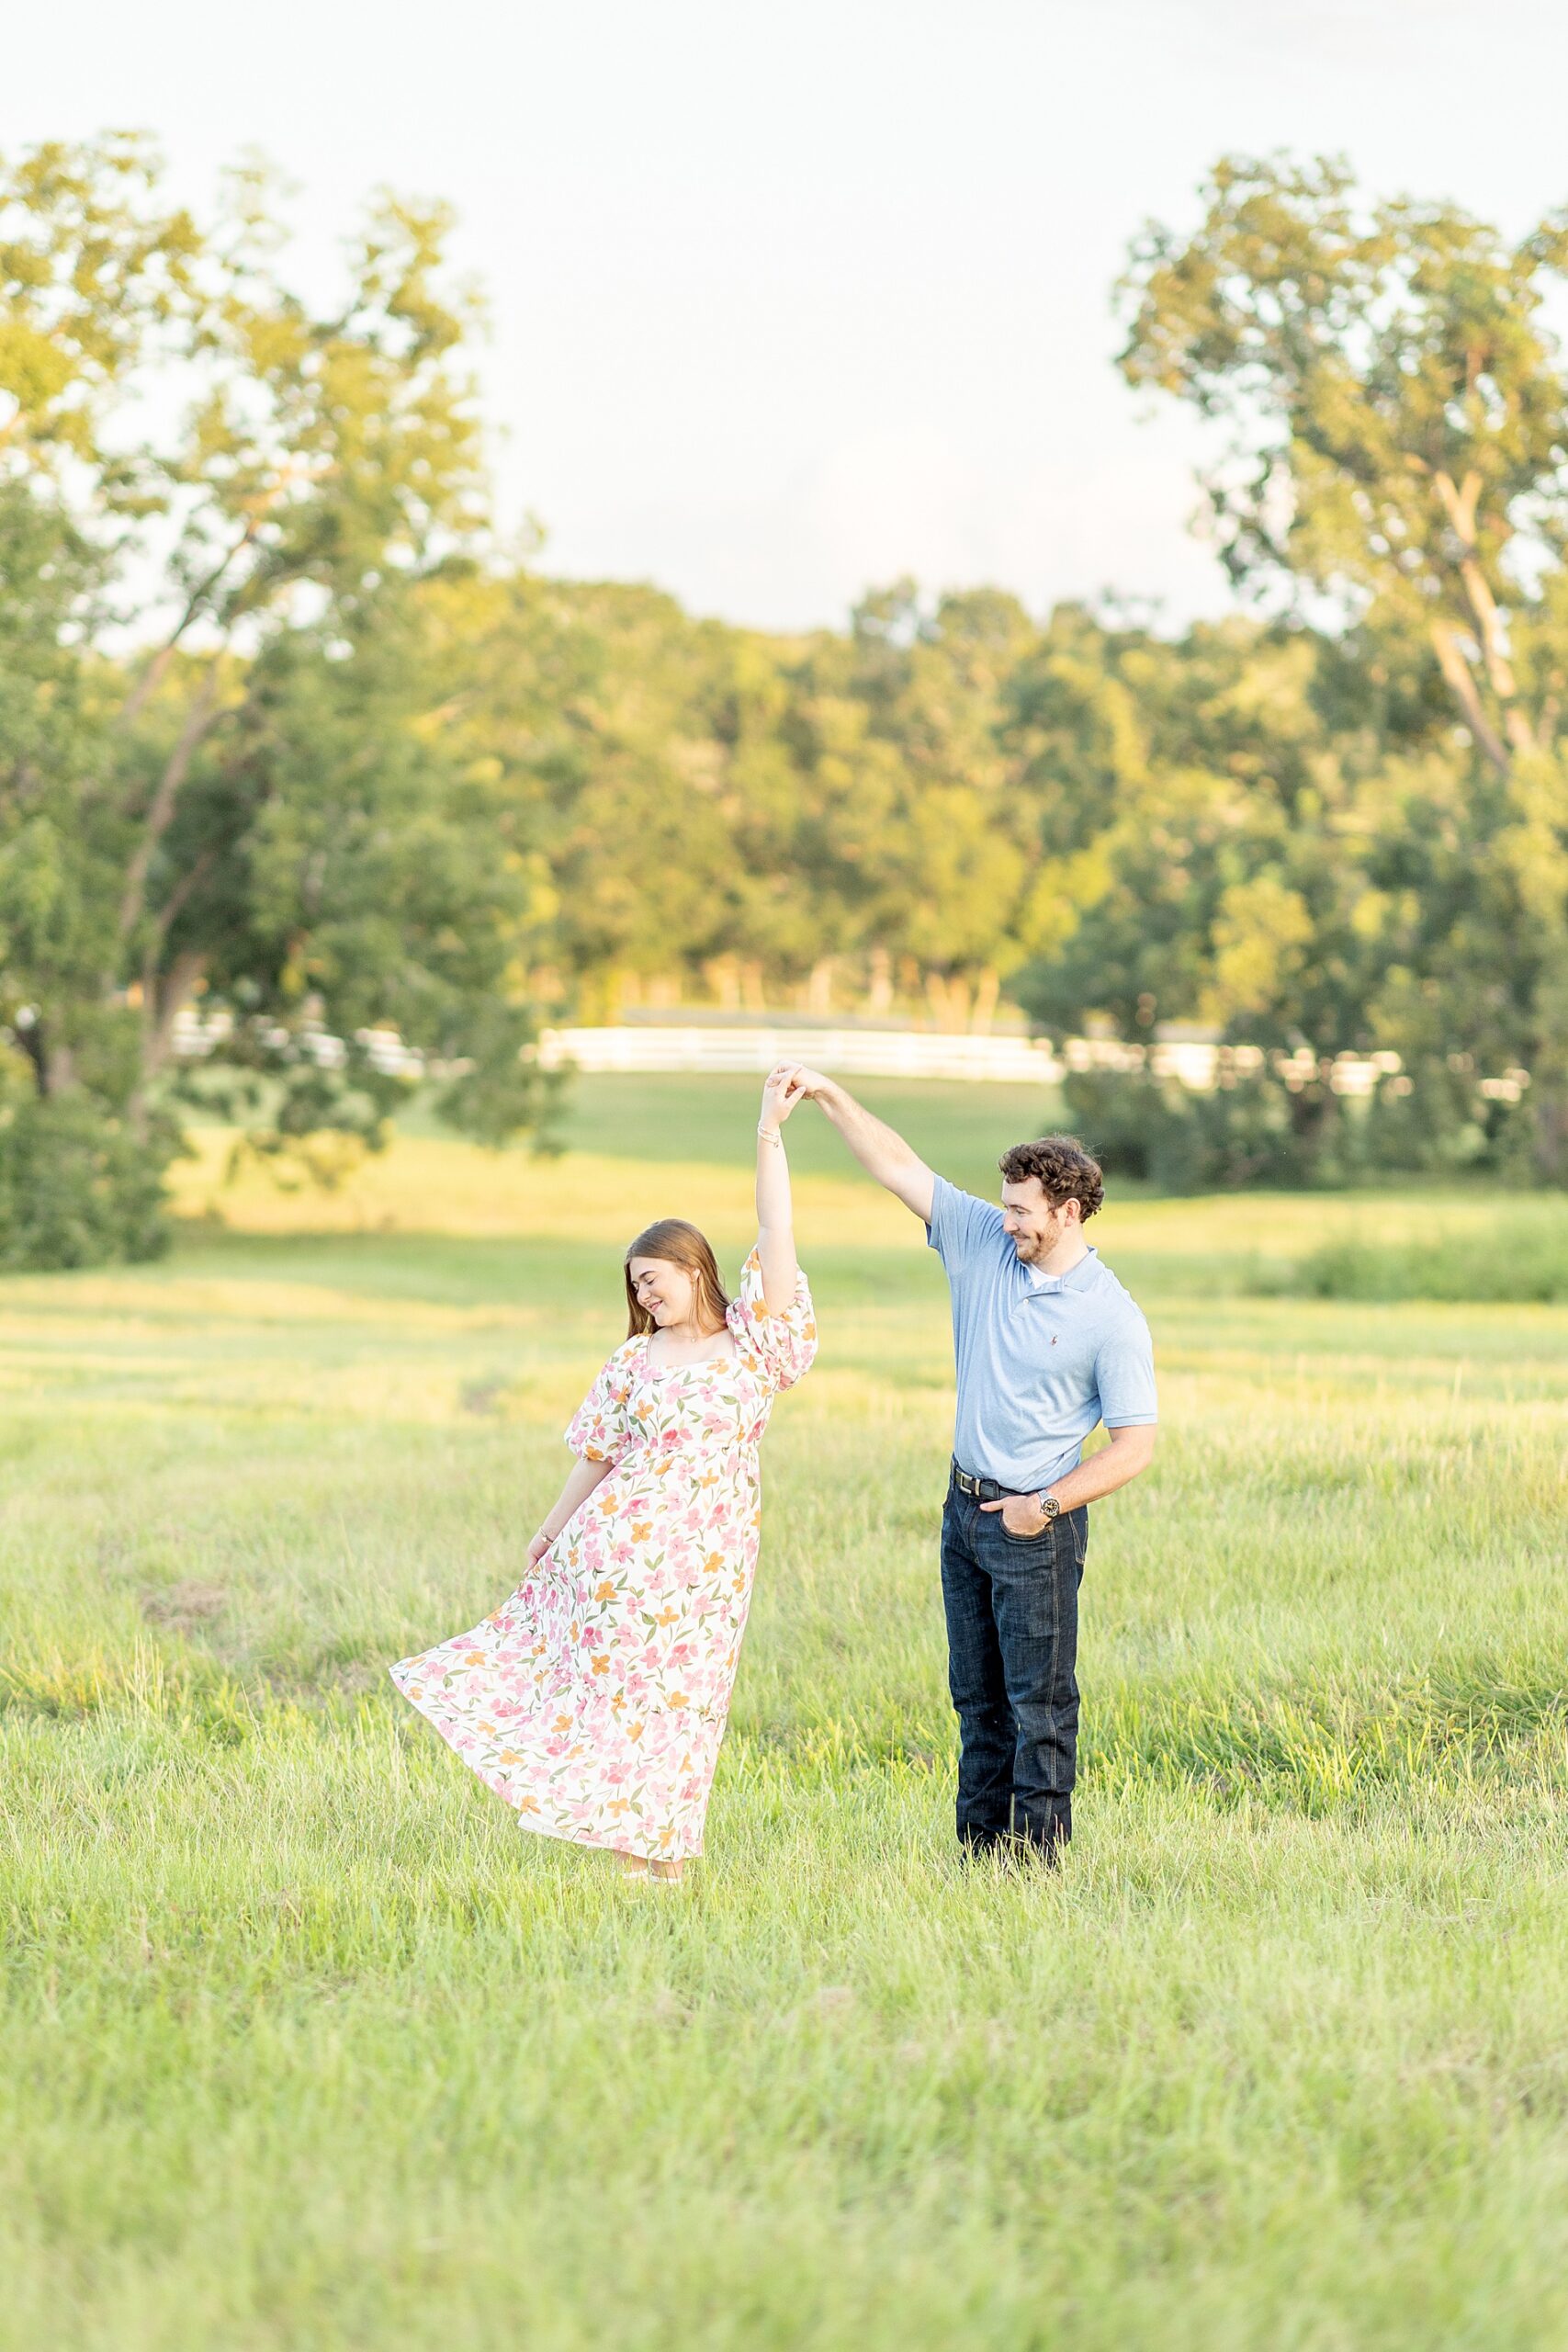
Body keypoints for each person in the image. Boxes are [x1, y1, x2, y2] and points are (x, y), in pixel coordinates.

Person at [390, 1067, 817, 1883]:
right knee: (619, 1703)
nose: (642, 1295)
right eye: (633, 1287)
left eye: (650, 1280)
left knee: (687, 1704)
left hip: (710, 1563)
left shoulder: (757, 1346)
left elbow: (776, 1224)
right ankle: (633, 1857)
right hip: (615, 1556)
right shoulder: (634, 1360)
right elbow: (597, 1453)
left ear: (693, 1268)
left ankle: (666, 1855)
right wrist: (550, 1530)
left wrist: (768, 1132)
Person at [787, 1070, 1156, 1862]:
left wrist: (1045, 1507)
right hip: (963, 1512)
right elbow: (897, 1166)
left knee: (1040, 1705)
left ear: (1067, 1212)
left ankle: (1035, 1866)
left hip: (1035, 1527)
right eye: (1006, 1203)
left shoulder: (1110, 1317)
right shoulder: (985, 1239)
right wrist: (827, 1096)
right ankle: (978, 1857)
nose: (1007, 1219)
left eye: (1022, 1210)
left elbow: (1135, 1446)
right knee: (975, 1700)